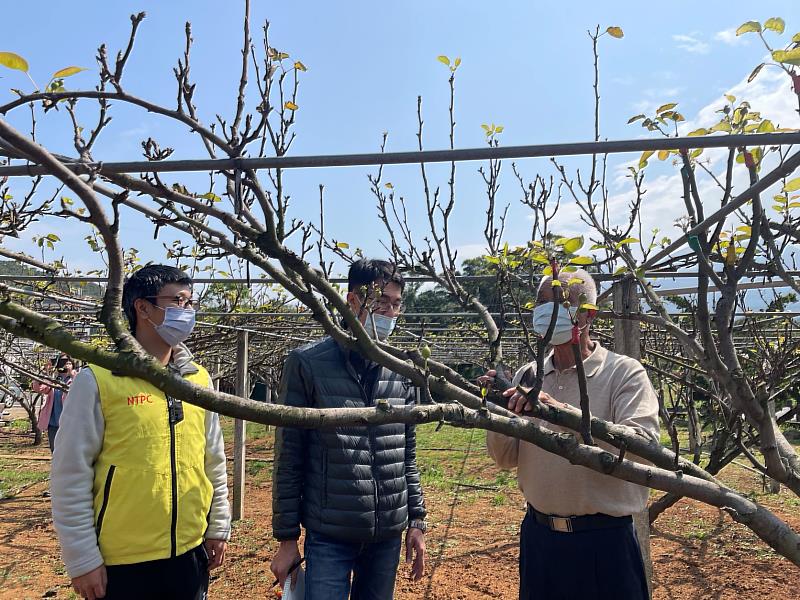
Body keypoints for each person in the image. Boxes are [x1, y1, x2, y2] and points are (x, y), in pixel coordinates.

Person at [51, 265, 231, 600]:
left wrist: (218, 525)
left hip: (190, 553)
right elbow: (69, 475)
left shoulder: (197, 381)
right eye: (177, 301)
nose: (187, 312)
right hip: (123, 561)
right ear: (143, 308)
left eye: (190, 303)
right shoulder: (101, 380)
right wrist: (82, 558)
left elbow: (213, 460)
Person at [484, 268, 659, 600]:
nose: (546, 311)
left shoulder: (624, 373)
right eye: (541, 302)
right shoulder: (530, 374)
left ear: (587, 314)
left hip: (604, 543)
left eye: (560, 302)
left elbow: (643, 446)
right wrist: (500, 409)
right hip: (540, 539)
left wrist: (558, 413)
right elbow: (505, 458)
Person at [270, 259, 427, 600]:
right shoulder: (308, 363)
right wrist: (286, 539)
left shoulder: (401, 369)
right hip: (330, 533)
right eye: (381, 301)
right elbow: (289, 454)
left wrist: (416, 519)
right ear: (352, 300)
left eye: (396, 304)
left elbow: (406, 453)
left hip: (387, 532)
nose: (389, 312)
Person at [34, 354, 77, 453]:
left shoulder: (76, 378)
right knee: (55, 450)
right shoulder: (54, 380)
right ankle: (57, 468)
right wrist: (44, 372)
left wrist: (72, 374)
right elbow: (38, 388)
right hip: (53, 422)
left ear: (73, 365)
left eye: (68, 363)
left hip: (69, 422)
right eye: (62, 363)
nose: (66, 365)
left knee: (69, 450)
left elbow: (81, 389)